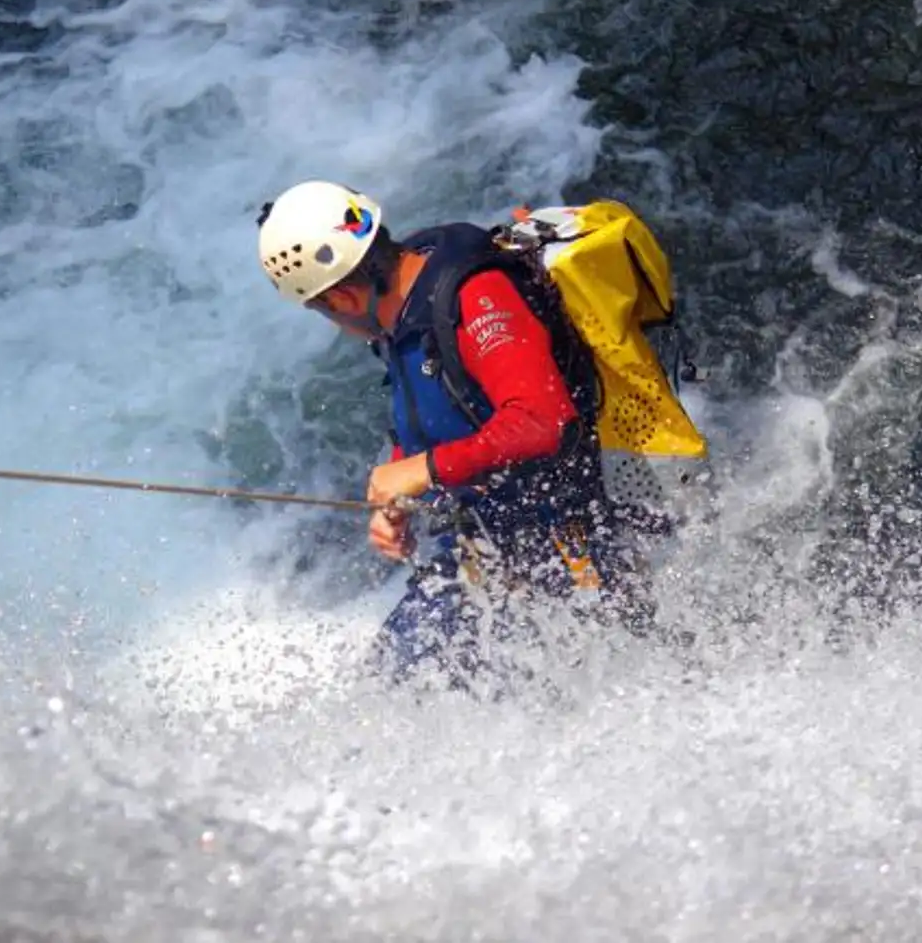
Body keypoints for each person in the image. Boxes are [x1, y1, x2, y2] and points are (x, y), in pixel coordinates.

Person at [255, 179, 662, 687]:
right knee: (389, 689)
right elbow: (440, 407)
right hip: (484, 547)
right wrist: (398, 487)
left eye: (322, 310)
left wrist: (423, 469)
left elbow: (543, 420)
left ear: (341, 295)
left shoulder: (474, 294)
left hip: (572, 545)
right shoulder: (400, 310)